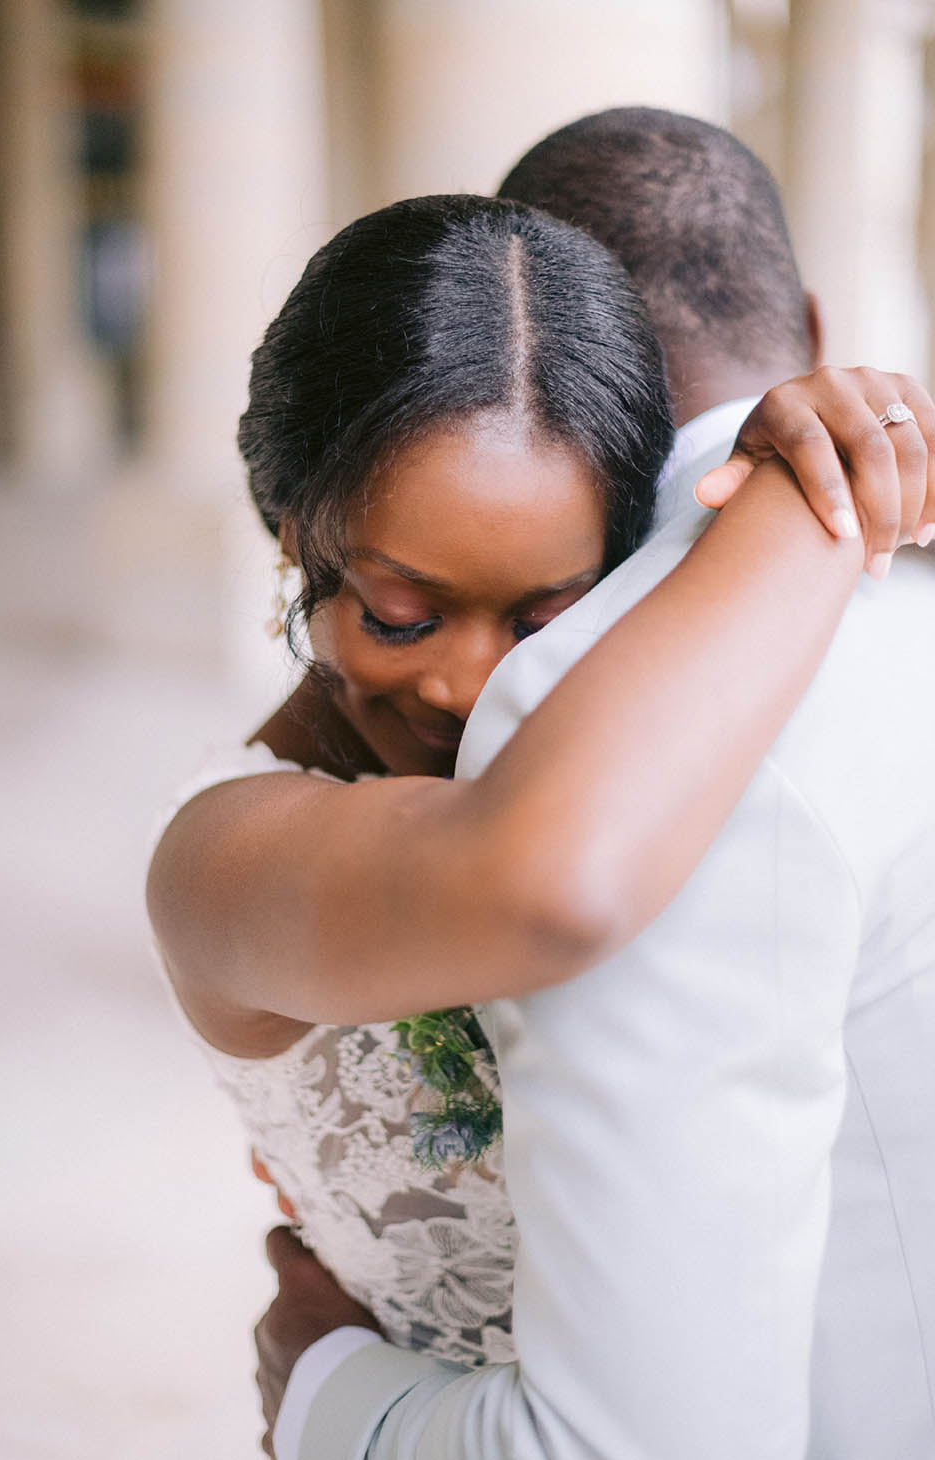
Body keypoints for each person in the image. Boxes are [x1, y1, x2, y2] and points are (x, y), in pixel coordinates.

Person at [146, 189, 931, 1454]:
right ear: (294, 536)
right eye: (401, 614)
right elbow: (539, 882)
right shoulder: (216, 857)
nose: (468, 685)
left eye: (545, 617)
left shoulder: (642, 740)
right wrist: (805, 501)